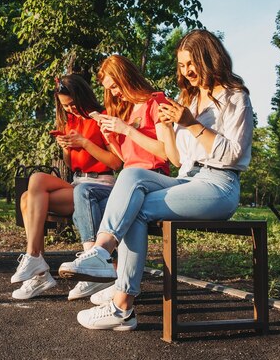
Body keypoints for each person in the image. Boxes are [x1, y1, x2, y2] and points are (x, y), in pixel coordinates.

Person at [59, 29, 253, 331]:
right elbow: (176, 160)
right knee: (132, 175)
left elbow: (233, 154)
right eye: (182, 65)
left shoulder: (234, 98)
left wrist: (189, 124)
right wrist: (170, 127)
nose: (186, 72)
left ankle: (121, 302)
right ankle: (102, 258)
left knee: (137, 205)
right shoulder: (188, 99)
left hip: (219, 184)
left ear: (209, 59)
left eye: (191, 64)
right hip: (188, 179)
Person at [66, 55, 170, 301]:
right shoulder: (128, 110)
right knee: (86, 194)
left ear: (127, 77)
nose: (113, 93)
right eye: (109, 89)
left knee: (118, 200)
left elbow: (164, 153)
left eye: (114, 86)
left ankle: (101, 264)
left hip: (152, 178)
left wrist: (126, 129)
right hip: (129, 180)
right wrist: (111, 137)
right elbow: (125, 159)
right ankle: (102, 268)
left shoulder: (157, 102)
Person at [11, 74, 121, 300]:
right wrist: (66, 147)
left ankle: (36, 263)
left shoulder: (102, 117)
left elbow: (115, 162)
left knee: (34, 189)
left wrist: (84, 143)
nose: (69, 109)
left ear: (82, 96)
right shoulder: (69, 121)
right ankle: (38, 268)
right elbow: (71, 165)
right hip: (77, 182)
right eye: (64, 106)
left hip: (100, 184)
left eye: (72, 104)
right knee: (27, 194)